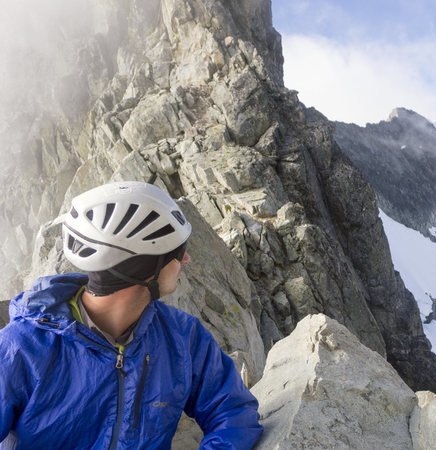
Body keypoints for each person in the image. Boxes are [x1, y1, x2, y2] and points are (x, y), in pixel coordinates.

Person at [0, 181, 263, 449]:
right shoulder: (21, 348)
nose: (187, 260)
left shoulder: (182, 337)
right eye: (177, 254)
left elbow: (234, 412)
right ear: (142, 270)